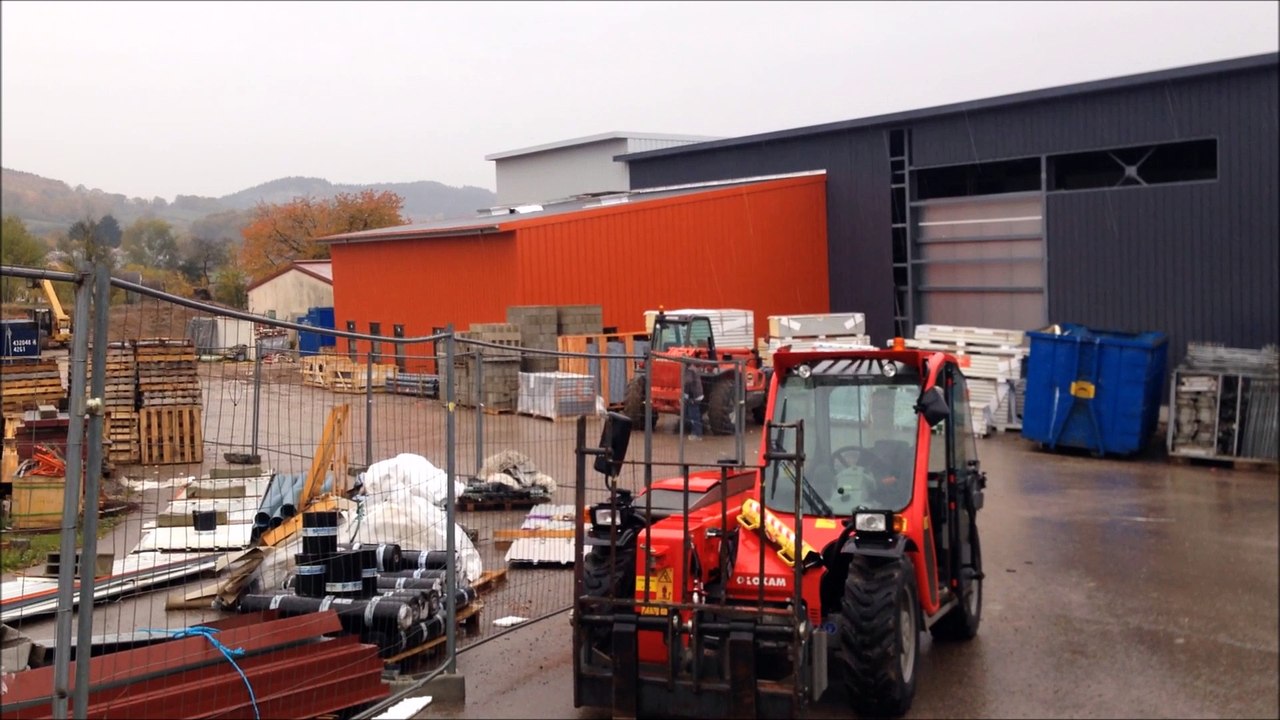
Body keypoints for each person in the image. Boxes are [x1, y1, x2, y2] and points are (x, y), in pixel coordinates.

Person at [682, 362, 704, 440]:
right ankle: (697, 432)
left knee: (693, 415)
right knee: (694, 415)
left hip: (693, 396)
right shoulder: (694, 369)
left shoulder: (690, 370)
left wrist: (685, 395)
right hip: (697, 395)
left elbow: (688, 382)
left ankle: (697, 434)